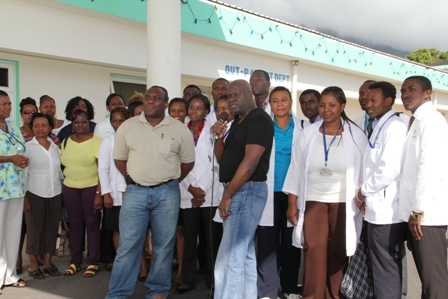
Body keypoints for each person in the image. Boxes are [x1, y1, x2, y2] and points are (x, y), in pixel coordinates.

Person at [106, 85, 195, 299]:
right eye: (148, 97)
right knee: (128, 245)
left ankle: (158, 290)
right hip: (135, 193)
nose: (151, 101)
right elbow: (119, 159)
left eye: (157, 98)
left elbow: (187, 163)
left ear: (166, 104)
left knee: (163, 246)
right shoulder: (128, 127)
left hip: (167, 194)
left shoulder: (179, 129)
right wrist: (133, 178)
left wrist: (168, 180)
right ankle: (118, 293)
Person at [284, 86, 366, 299]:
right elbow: (296, 168)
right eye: (322, 105)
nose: (326, 109)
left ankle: (334, 295)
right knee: (314, 249)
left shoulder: (356, 135)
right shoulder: (308, 133)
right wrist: (292, 202)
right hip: (313, 200)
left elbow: (365, 170)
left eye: (332, 105)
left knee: (338, 250)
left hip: (343, 202)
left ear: (342, 106)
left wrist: (363, 198)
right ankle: (312, 296)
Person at [212, 79, 274, 299]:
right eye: (229, 96)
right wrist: (220, 136)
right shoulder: (238, 122)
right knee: (244, 255)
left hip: (246, 191)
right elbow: (225, 158)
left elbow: (250, 163)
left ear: (250, 94)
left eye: (236, 94)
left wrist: (227, 195)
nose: (231, 99)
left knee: (229, 259)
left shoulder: (259, 119)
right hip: (239, 190)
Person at [354, 82, 408, 299]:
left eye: (373, 100)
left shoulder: (395, 127)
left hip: (387, 213)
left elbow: (389, 168)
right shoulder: (381, 125)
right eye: (367, 100)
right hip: (376, 211)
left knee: (385, 270)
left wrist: (362, 192)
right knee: (380, 269)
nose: (368, 104)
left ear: (388, 101)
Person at [400, 75, 448, 299]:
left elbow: (429, 167)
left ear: (427, 93)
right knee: (427, 281)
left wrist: (418, 211)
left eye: (412, 89)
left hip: (426, 216)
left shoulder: (432, 121)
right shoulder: (417, 120)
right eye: (403, 90)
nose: (406, 94)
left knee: (434, 280)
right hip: (417, 214)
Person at [257, 86, 305, 299]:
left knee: (291, 242)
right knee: (267, 244)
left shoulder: (304, 127)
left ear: (291, 102)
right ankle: (268, 291)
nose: (279, 104)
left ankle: (289, 288)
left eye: (284, 99)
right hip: (269, 192)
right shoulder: (264, 126)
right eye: (275, 101)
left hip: (293, 194)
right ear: (270, 104)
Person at [175, 94, 221, 294]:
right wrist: (191, 188)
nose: (194, 111)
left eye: (199, 108)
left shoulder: (213, 133)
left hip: (209, 192)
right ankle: (187, 278)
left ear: (206, 112)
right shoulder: (179, 132)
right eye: (191, 107)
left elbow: (216, 164)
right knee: (190, 238)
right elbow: (175, 163)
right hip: (188, 193)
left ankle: (212, 278)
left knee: (211, 240)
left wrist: (201, 190)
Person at [61, 109, 103, 278]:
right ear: (72, 124)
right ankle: (75, 261)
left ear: (89, 123)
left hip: (91, 187)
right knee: (75, 226)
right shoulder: (65, 142)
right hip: (70, 187)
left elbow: (102, 169)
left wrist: (99, 193)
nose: (80, 125)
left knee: (92, 225)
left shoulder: (97, 142)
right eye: (77, 122)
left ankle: (92, 261)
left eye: (83, 121)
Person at [24, 113, 63, 279]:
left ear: (50, 127)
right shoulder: (27, 148)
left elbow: (59, 172)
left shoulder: (56, 148)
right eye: (36, 125)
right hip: (34, 193)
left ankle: (47, 263)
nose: (40, 128)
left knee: (51, 228)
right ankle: (34, 265)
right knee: (34, 230)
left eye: (44, 125)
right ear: (32, 128)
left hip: (55, 193)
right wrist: (25, 197)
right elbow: (23, 173)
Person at [0, 90, 28, 291]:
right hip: (1, 189)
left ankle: (9, 275)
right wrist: (11, 159)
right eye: (3, 104)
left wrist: (22, 160)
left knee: (13, 232)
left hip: (16, 187)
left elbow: (20, 150)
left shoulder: (13, 128)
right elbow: (10, 156)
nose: (8, 107)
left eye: (9, 103)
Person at [98, 107, 130, 272]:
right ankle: (121, 261)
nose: (118, 124)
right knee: (116, 228)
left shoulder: (134, 138)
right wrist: (106, 193)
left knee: (131, 228)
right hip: (114, 193)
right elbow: (102, 169)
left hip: (132, 192)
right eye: (114, 121)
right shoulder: (108, 141)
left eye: (121, 120)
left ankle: (132, 260)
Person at [168, 96, 189, 287]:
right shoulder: (162, 132)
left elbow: (191, 164)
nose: (177, 114)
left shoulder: (190, 132)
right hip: (166, 191)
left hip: (185, 190)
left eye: (181, 111)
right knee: (165, 234)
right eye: (173, 111)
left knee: (182, 233)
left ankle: (181, 273)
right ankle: (163, 273)